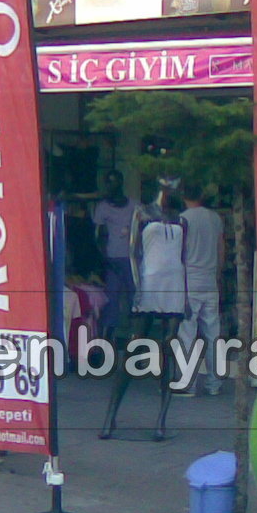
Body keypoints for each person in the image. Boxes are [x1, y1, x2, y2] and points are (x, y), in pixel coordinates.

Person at [100, 176, 187, 441]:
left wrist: (186, 295)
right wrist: (138, 288)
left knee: (168, 348)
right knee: (134, 347)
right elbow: (132, 252)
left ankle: (161, 420)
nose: (171, 188)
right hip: (149, 283)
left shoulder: (181, 219)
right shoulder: (143, 212)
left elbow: (182, 257)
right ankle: (110, 417)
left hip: (174, 285)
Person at [176, 181, 226, 396]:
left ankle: (188, 383)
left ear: (184, 196)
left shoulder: (183, 219)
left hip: (189, 280)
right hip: (210, 279)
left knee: (187, 332)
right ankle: (214, 383)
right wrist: (218, 275)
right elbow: (221, 248)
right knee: (213, 333)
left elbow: (178, 254)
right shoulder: (215, 218)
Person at [92, 170, 136, 341]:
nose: (110, 186)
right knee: (111, 300)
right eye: (107, 182)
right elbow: (99, 236)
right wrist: (105, 259)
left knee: (134, 299)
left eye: (113, 182)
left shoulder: (134, 206)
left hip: (131, 259)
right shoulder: (103, 207)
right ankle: (108, 339)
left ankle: (135, 337)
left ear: (120, 182)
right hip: (112, 260)